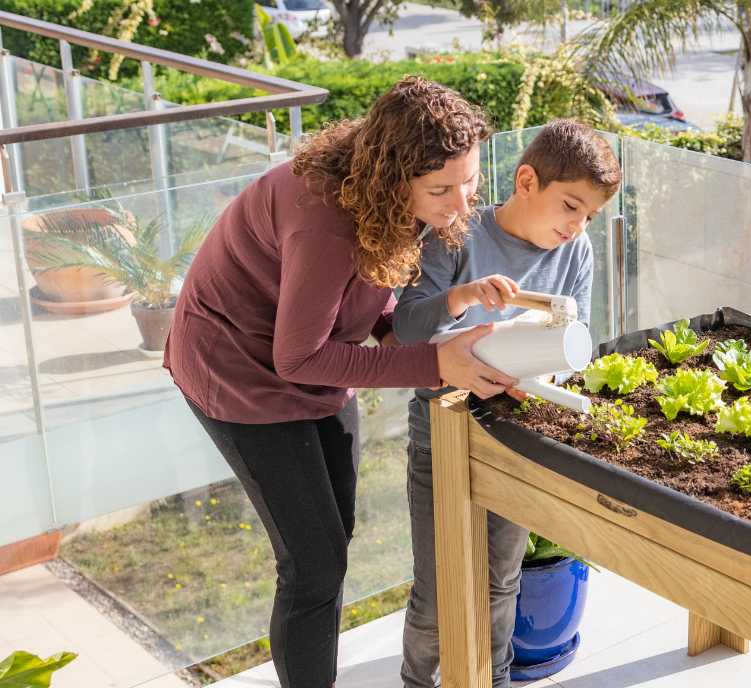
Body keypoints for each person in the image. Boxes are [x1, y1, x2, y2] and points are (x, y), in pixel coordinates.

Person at [163, 76, 516, 688]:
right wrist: (436, 364)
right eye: (442, 189)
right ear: (393, 175)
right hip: (238, 372)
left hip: (307, 357)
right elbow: (297, 360)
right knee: (313, 565)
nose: (462, 205)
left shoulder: (380, 188)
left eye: (471, 183)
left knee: (332, 540)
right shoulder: (325, 220)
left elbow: (362, 308)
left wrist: (449, 307)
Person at [392, 119, 622, 688]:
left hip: (518, 436)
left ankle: (492, 681)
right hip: (443, 430)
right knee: (439, 588)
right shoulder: (457, 233)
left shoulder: (578, 252)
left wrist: (545, 371)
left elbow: (578, 342)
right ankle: (418, 681)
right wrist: (463, 296)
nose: (576, 226)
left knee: (501, 581)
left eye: (588, 215)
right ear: (526, 181)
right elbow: (405, 326)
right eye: (570, 206)